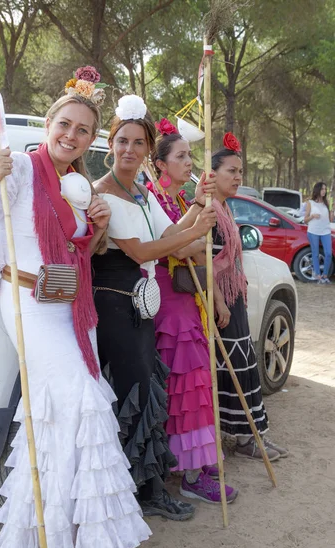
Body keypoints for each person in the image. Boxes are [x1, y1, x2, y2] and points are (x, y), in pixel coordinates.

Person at [0, 68, 151, 548]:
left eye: (84, 130)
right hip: (27, 303)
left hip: (72, 304)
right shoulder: (17, 167)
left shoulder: (81, 186)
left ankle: (96, 540)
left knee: (76, 416)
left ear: (92, 139)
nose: (72, 135)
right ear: (49, 124)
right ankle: (59, 545)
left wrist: (98, 229)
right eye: (65, 124)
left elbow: (75, 253)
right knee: (78, 401)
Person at [92, 95, 217, 520]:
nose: (129, 149)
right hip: (115, 307)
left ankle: (146, 490)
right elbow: (143, 249)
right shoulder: (103, 194)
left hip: (140, 306)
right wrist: (195, 231)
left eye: (138, 143)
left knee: (148, 392)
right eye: (122, 141)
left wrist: (198, 204)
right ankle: (139, 493)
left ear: (148, 150)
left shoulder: (141, 192)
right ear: (111, 144)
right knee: (134, 394)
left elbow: (170, 231)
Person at [147, 118, 238, 504]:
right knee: (185, 389)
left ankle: (197, 458)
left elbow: (195, 252)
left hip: (190, 300)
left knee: (198, 386)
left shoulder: (180, 199)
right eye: (181, 156)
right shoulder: (152, 197)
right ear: (161, 164)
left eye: (189, 154)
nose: (189, 163)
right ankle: (190, 473)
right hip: (170, 307)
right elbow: (176, 248)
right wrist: (200, 217)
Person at [211, 133, 288, 461]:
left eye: (240, 171)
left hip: (232, 298)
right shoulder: (207, 209)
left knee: (243, 365)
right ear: (212, 173)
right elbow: (203, 261)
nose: (238, 177)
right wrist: (217, 300)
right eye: (232, 170)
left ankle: (250, 435)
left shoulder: (224, 207)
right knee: (231, 366)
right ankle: (244, 437)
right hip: (221, 303)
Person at [304, 182, 332, 284]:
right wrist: (312, 216)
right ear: (317, 190)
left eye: (325, 189)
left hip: (325, 231)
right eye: (322, 189)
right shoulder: (310, 203)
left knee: (328, 253)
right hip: (313, 231)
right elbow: (305, 220)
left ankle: (325, 275)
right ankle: (318, 276)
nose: (324, 191)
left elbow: (330, 219)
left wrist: (331, 211)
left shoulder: (326, 202)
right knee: (315, 254)